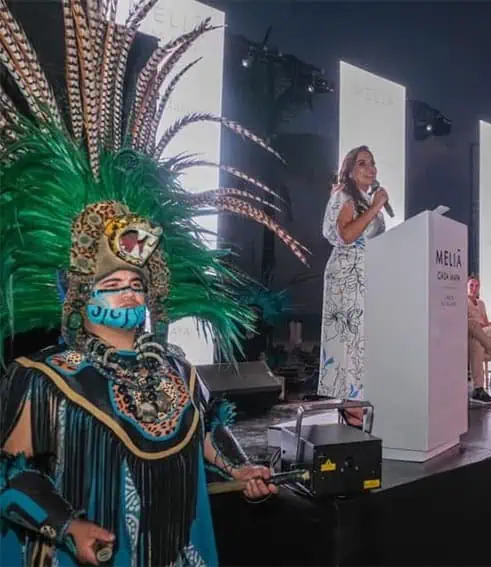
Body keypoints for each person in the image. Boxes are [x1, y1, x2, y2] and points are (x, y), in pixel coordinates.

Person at [0, 3, 306, 564]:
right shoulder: (42, 378)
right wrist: (69, 526)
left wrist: (241, 468)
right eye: (112, 280)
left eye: (135, 281)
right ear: (75, 291)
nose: (128, 292)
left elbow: (210, 433)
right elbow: (12, 478)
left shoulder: (176, 368)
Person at [319, 146, 389, 426]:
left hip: (368, 276)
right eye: (363, 163)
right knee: (350, 342)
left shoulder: (366, 199)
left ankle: (359, 401)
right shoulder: (344, 195)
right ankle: (350, 405)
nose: (370, 169)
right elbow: (346, 234)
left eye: (373, 163)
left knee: (364, 342)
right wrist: (375, 208)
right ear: (349, 170)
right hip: (346, 277)